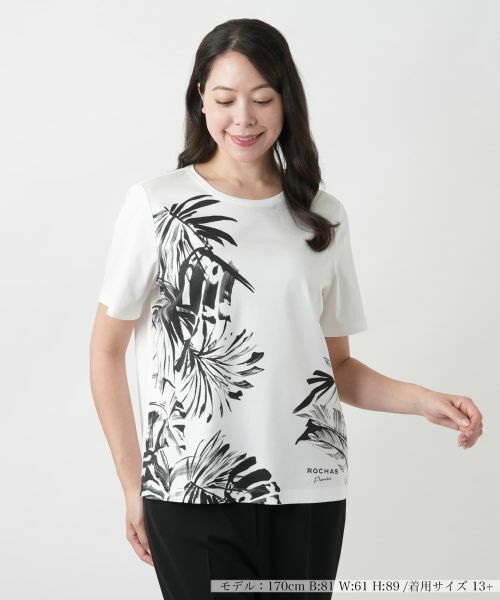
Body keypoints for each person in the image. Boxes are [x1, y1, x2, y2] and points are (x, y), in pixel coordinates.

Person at [89, 18, 484, 600]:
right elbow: (106, 351)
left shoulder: (321, 215)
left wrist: (424, 400)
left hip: (309, 488)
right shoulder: (158, 206)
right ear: (201, 99)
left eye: (262, 98)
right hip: (191, 486)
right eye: (226, 99)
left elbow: (336, 368)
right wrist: (133, 485)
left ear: (286, 101)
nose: (243, 118)